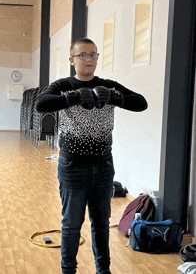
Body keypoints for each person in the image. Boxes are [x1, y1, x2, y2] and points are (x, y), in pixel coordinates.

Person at [35, 38, 148, 274]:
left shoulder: (108, 85)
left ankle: (103, 270)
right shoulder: (63, 84)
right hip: (72, 166)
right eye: (83, 55)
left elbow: (141, 103)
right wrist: (71, 97)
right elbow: (41, 104)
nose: (89, 59)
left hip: (103, 165)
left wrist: (116, 97)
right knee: (72, 225)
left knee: (101, 224)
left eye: (93, 55)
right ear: (72, 60)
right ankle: (68, 270)